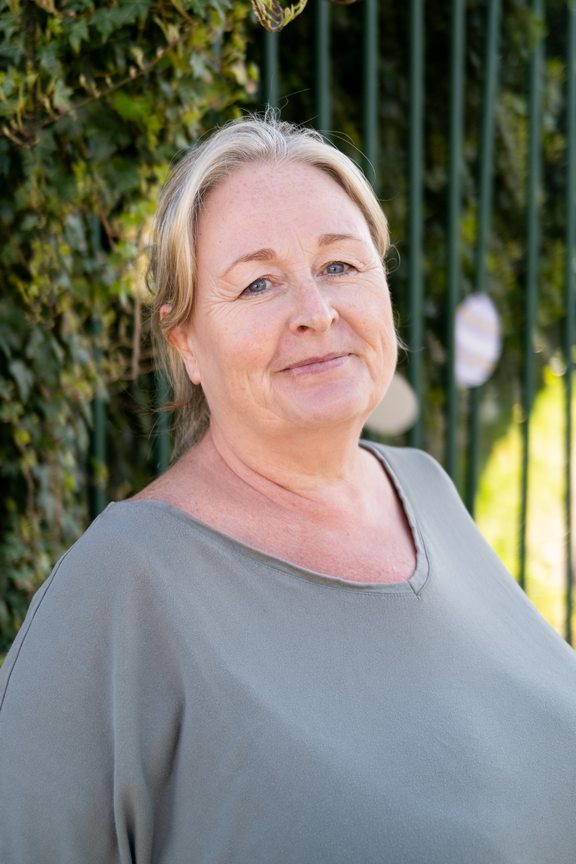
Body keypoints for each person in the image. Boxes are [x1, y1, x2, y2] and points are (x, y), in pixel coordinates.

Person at [0, 116, 575, 864]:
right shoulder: (119, 590)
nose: (316, 311)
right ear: (186, 341)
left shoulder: (423, 490)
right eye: (259, 283)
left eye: (340, 266)